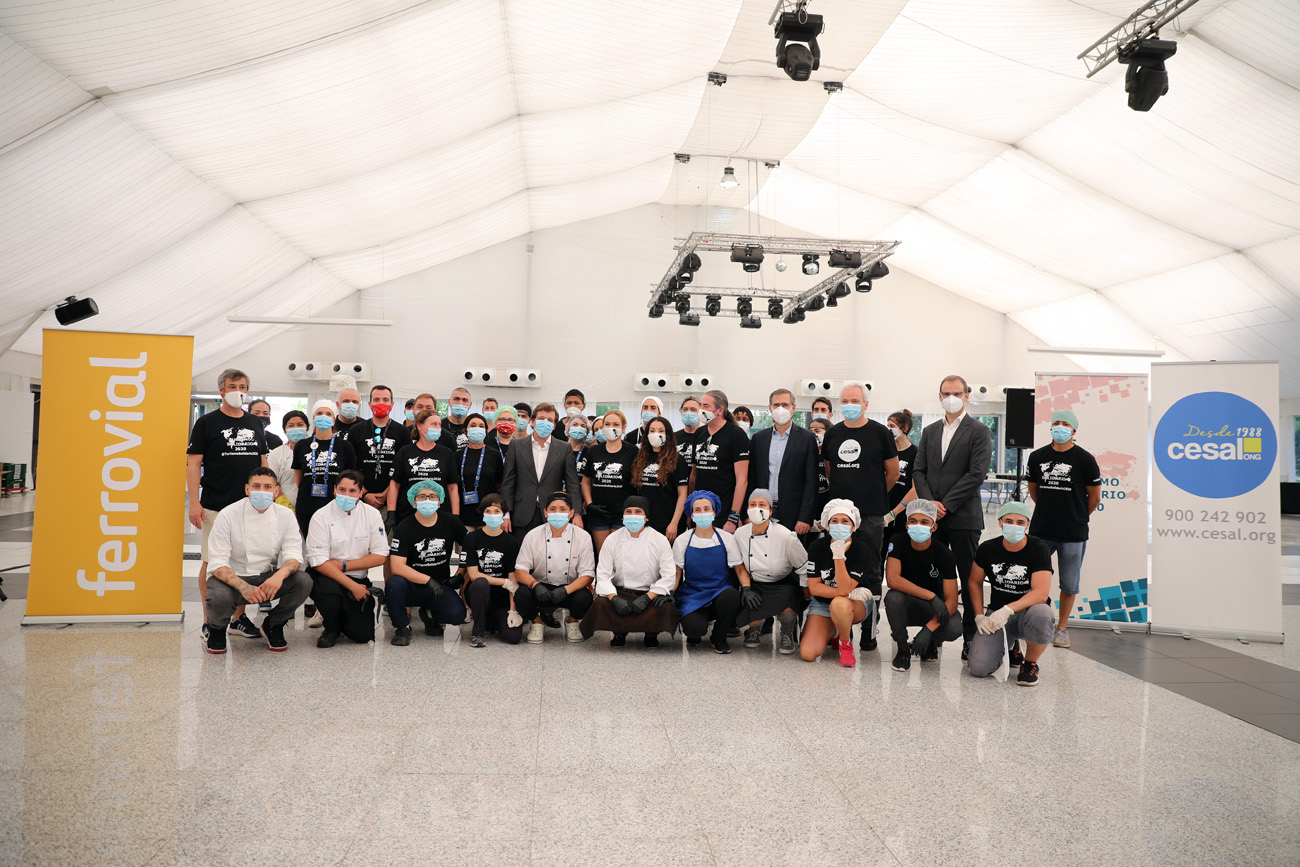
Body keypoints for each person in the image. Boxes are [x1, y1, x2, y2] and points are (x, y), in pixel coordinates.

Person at [913, 374, 994, 660]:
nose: (951, 398)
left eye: (957, 393)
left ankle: (971, 638)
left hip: (963, 518)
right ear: (939, 396)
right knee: (933, 578)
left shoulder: (979, 431)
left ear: (966, 396)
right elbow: (919, 471)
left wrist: (945, 505)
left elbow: (977, 473)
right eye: (946, 393)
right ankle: (932, 637)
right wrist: (930, 505)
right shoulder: (930, 431)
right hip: (932, 519)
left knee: (969, 580)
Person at [187, 368, 269, 643]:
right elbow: (193, 464)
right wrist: (194, 502)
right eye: (232, 386)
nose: (238, 391)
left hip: (249, 506)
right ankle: (209, 621)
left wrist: (266, 495)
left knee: (243, 562)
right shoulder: (206, 423)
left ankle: (238, 618)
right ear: (221, 390)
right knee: (211, 561)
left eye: (242, 387)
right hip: (216, 505)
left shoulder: (254, 422)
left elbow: (263, 462)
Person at [822, 382, 899, 653]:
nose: (849, 405)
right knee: (838, 565)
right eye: (845, 400)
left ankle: (869, 628)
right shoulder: (833, 434)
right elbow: (830, 470)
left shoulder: (880, 433)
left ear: (866, 404)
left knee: (872, 570)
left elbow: (893, 473)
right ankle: (843, 624)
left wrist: (873, 495)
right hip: (838, 517)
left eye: (854, 400)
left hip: (870, 515)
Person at [203, 467, 312, 654]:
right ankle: (217, 629)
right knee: (218, 596)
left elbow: (294, 556)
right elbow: (217, 564)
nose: (261, 491)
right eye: (256, 486)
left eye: (267, 487)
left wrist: (278, 576)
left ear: (276, 491)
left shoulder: (285, 515)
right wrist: (243, 586)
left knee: (304, 581)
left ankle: (273, 624)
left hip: (265, 578)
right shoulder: (228, 514)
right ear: (247, 489)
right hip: (233, 578)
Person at [1027, 409, 1101, 649]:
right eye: (1056, 423)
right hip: (1041, 530)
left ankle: (1061, 628)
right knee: (1032, 580)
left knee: (1069, 584)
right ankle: (1031, 622)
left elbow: (1094, 497)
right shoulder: (1037, 457)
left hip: (1073, 533)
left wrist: (1077, 516)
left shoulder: (1085, 459)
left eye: (1066, 424)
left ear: (1074, 430)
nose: (1060, 427)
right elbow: (1034, 490)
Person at [968, 502, 1055, 686]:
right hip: (996, 615)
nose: (1014, 526)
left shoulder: (1038, 549)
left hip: (1027, 613)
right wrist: (979, 615)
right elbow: (974, 582)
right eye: (1008, 521)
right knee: (979, 668)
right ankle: (1013, 646)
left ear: (1027, 524)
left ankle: (1030, 664)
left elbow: (1040, 593)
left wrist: (1008, 609)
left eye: (1020, 522)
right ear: (1000, 522)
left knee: (1042, 613)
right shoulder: (987, 549)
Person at [305, 470, 389, 647]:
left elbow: (380, 556)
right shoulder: (321, 516)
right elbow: (319, 562)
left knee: (362, 635)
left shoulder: (372, 514)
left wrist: (343, 565)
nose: (346, 495)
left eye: (352, 491)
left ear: (361, 492)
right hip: (327, 576)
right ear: (334, 489)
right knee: (330, 597)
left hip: (356, 576)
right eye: (342, 490)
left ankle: (342, 619)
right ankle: (331, 628)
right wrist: (352, 586)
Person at [580, 496, 679, 646]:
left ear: (646, 517)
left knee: (665, 607)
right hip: (621, 593)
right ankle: (619, 632)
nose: (633, 515)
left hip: (649, 594)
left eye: (638, 512)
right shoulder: (612, 539)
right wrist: (614, 598)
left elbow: (669, 576)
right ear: (623, 517)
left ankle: (651, 633)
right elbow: (603, 575)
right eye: (629, 511)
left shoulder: (659, 540)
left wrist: (647, 598)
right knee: (600, 603)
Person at [386, 480, 469, 646]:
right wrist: (428, 580)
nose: (427, 500)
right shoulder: (404, 527)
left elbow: (470, 547)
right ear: (414, 501)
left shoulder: (450, 522)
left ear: (440, 501)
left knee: (457, 615)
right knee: (394, 584)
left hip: (440, 585)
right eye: (422, 496)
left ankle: (430, 615)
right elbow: (396, 566)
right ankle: (402, 627)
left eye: (432, 496)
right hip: (410, 585)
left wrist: (460, 574)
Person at [884, 499, 962, 672]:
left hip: (934, 609)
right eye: (913, 521)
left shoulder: (945, 554)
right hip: (908, 605)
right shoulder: (898, 541)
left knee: (954, 627)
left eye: (924, 522)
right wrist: (930, 596)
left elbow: (951, 601)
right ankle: (903, 648)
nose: (918, 526)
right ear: (907, 525)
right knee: (893, 598)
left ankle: (931, 641)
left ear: (934, 527)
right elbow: (892, 580)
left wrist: (928, 629)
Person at [513, 492, 596, 643]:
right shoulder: (533, 535)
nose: (557, 513)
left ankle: (572, 621)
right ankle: (537, 623)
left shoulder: (583, 537)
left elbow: (588, 575)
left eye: (563, 509)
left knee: (585, 598)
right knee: (521, 595)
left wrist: (566, 590)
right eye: (552, 509)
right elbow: (520, 570)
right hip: (541, 588)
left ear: (571, 513)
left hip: (569, 588)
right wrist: (535, 585)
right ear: (545, 512)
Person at [732, 489, 807, 654]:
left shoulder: (786, 536)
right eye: (752, 504)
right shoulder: (739, 534)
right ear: (747, 509)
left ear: (770, 511)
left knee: (788, 611)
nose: (757, 508)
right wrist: (746, 589)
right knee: (751, 604)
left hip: (783, 584)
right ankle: (754, 629)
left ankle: (786, 633)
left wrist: (807, 598)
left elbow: (803, 568)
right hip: (755, 583)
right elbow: (739, 566)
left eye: (762, 505)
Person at [800, 499, 873, 667]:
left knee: (840, 603)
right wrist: (847, 592)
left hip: (855, 602)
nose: (839, 525)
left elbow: (845, 588)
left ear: (853, 526)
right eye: (834, 520)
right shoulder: (817, 546)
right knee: (808, 653)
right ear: (827, 525)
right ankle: (834, 630)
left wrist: (839, 556)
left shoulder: (861, 549)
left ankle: (845, 643)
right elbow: (814, 588)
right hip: (824, 603)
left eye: (845, 521)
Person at [672, 490, 747, 653]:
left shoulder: (726, 538)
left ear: (714, 512)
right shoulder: (682, 541)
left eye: (707, 509)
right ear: (692, 515)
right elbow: (677, 574)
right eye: (697, 510)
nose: (702, 513)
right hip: (693, 595)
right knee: (694, 630)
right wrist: (670, 592)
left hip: (720, 592)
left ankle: (719, 637)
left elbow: (740, 570)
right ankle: (697, 628)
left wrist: (747, 588)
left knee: (731, 595)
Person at [501, 403, 582, 536]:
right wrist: (505, 514)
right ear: (532, 422)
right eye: (541, 418)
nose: (545, 423)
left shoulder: (564, 448)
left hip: (554, 515)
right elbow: (508, 482)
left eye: (550, 420)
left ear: (554, 425)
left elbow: (572, 484)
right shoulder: (516, 445)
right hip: (521, 514)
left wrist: (577, 513)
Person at [747, 388, 818, 535]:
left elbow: (811, 481)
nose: (780, 409)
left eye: (785, 405)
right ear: (770, 408)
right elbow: (752, 478)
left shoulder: (807, 438)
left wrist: (805, 517)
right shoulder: (759, 439)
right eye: (776, 405)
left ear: (793, 408)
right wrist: (749, 511)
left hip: (794, 513)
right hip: (762, 509)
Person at [344, 384, 411, 524]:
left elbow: (405, 468)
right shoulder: (356, 430)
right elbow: (350, 466)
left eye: (385, 400)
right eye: (376, 399)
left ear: (392, 404)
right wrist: (364, 493)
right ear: (369, 404)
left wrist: (387, 493)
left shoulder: (403, 432)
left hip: (392, 500)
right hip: (360, 498)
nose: (381, 403)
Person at [462, 494, 524, 647]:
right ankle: (477, 632)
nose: (492, 515)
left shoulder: (512, 542)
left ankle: (492, 621)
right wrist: (504, 582)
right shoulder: (471, 539)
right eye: (488, 511)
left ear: (503, 514)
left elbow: (513, 579)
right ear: (482, 514)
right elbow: (473, 575)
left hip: (501, 599)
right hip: (479, 593)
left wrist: (513, 610)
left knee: (514, 637)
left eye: (496, 511)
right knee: (481, 583)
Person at [291, 400, 357, 538]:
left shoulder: (345, 446)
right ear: (313, 418)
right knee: (311, 544)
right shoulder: (302, 445)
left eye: (328, 414)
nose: (323, 416)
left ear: (334, 419)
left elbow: (351, 477)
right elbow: (299, 477)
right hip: (307, 506)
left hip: (336, 505)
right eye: (319, 413)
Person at [689, 390, 751, 533]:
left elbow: (742, 481)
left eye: (706, 406)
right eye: (701, 405)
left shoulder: (736, 434)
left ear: (720, 410)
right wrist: (690, 507)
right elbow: (694, 474)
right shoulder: (699, 433)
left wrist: (733, 517)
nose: (701, 410)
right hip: (700, 509)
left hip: (724, 511)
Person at [387, 410, 460, 527]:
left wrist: (455, 516)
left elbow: (452, 488)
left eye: (439, 424)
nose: (438, 428)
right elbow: (394, 485)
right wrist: (391, 513)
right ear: (419, 426)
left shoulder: (447, 454)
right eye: (433, 424)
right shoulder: (405, 452)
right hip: (408, 515)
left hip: (440, 516)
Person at [581, 409, 636, 552]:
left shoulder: (632, 452)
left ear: (623, 427)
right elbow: (586, 482)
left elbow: (637, 483)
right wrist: (590, 504)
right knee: (603, 555)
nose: (611, 427)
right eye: (607, 424)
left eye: (616, 424)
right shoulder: (593, 451)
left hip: (623, 514)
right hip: (598, 512)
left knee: (620, 556)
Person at [629, 417, 688, 540]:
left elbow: (683, 494)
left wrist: (674, 523)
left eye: (661, 431)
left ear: (668, 435)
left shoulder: (677, 459)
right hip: (644, 522)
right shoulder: (639, 458)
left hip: (668, 522)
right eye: (652, 430)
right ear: (647, 434)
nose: (656, 434)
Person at [456, 412, 504, 528]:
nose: (477, 429)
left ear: (486, 431)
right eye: (473, 425)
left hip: (489, 515)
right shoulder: (457, 455)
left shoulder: (495, 455)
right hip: (464, 515)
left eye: (481, 426)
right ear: (465, 431)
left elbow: (499, 484)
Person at [882, 410, 919, 555]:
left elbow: (915, 489)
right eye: (887, 426)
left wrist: (894, 513)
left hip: (903, 513)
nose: (889, 429)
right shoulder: (886, 451)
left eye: (892, 426)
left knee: (899, 555)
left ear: (905, 429)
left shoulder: (916, 453)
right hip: (883, 511)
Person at [268, 410, 308, 509]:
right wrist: (286, 507)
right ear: (285, 430)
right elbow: (272, 483)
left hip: (312, 507)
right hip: (284, 508)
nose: (296, 428)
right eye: (291, 425)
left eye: (300, 425)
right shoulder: (276, 453)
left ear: (307, 428)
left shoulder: (315, 450)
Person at [809, 417, 831, 520]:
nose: (813, 434)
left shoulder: (832, 454)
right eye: (811, 431)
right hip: (812, 505)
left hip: (829, 503)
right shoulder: (807, 455)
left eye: (817, 431)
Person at [676, 396, 703, 468]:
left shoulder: (706, 437)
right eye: (685, 409)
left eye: (693, 409)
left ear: (700, 413)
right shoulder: (673, 437)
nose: (688, 412)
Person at [564, 413, 592, 479]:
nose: (579, 428)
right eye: (575, 424)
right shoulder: (559, 449)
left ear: (586, 432)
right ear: (568, 429)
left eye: (583, 426)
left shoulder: (589, 453)